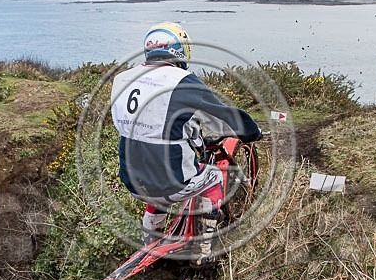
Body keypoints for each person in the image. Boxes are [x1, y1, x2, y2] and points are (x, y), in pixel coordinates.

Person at [110, 22, 262, 262]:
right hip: (172, 184)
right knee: (212, 178)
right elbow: (222, 118)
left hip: (132, 180)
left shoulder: (122, 79)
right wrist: (252, 132)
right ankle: (203, 251)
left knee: (154, 196)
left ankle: (151, 242)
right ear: (181, 50)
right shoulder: (182, 81)